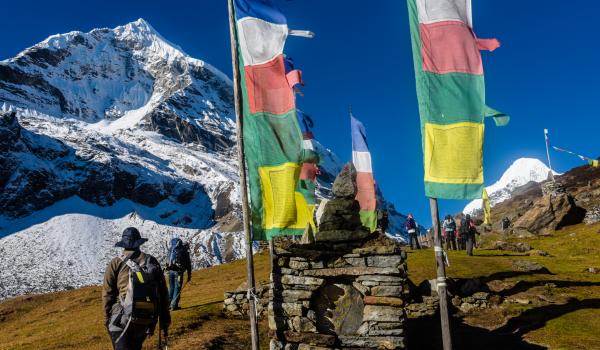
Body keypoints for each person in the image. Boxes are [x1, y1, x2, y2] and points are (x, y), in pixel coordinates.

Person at [103, 227, 170, 350]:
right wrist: (165, 319)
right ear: (139, 243)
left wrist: (107, 318)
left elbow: (108, 294)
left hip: (121, 318)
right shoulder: (151, 261)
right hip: (146, 319)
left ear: (123, 244)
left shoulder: (116, 262)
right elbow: (162, 292)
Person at [166, 237, 192, 310]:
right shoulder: (184, 251)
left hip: (171, 271)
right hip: (179, 272)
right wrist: (189, 275)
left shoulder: (172, 249)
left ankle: (167, 305)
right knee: (177, 288)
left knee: (171, 288)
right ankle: (174, 306)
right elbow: (188, 264)